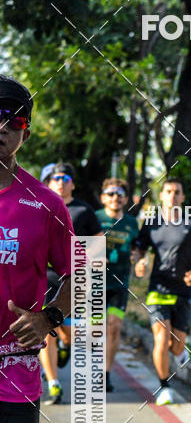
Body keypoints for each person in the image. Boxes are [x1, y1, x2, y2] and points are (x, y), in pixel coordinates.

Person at [0, 76, 73, 423]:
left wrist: (50, 316)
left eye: (13, 122)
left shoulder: (46, 204)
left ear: (25, 133)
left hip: (15, 372)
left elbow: (80, 275)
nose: (0, 130)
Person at [132, 178, 191, 405]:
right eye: (168, 191)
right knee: (161, 337)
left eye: (177, 192)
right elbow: (138, 249)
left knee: (177, 344)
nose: (172, 195)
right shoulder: (152, 223)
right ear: (161, 195)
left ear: (183, 197)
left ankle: (179, 353)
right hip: (158, 288)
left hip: (184, 290)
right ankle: (164, 387)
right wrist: (139, 263)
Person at [39, 161, 103, 403]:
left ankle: (65, 343)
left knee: (69, 331)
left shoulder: (84, 210)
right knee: (46, 330)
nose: (60, 183)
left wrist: (88, 258)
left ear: (73, 184)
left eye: (65, 179)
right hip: (45, 277)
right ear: (49, 182)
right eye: (56, 178)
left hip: (73, 278)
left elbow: (98, 239)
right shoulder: (41, 206)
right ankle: (54, 383)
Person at [97, 178, 139, 391]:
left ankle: (105, 374)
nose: (116, 198)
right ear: (103, 197)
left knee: (113, 328)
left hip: (120, 284)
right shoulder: (95, 218)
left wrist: (140, 261)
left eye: (120, 194)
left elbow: (138, 249)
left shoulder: (132, 223)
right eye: (111, 193)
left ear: (125, 199)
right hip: (94, 284)